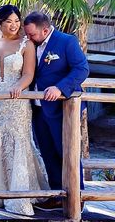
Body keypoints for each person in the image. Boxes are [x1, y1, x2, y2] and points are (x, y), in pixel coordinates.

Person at [0, 5, 49, 216]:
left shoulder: (26, 44)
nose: (14, 25)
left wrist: (19, 85)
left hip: (16, 102)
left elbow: (28, 73)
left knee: (18, 142)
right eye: (10, 22)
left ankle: (19, 196)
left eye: (17, 21)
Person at [22, 11, 89, 211]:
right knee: (48, 152)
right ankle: (56, 194)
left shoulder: (66, 41)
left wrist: (60, 88)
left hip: (62, 109)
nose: (29, 38)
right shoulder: (30, 44)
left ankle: (77, 196)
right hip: (38, 109)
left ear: (45, 29)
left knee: (67, 152)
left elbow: (82, 69)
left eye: (32, 34)